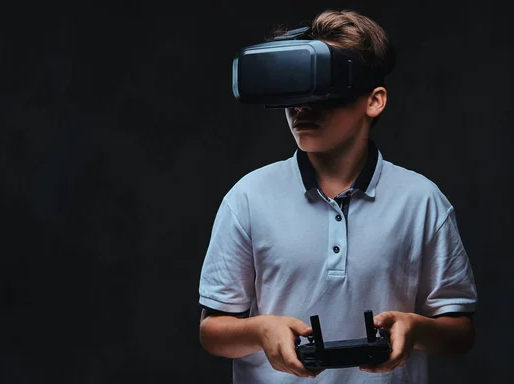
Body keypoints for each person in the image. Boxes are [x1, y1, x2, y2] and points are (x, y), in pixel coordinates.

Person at [197, 9, 477, 384]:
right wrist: (260, 330)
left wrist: (415, 328)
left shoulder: (423, 202)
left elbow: (459, 332)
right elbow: (212, 330)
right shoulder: (246, 198)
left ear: (374, 101)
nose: (302, 107)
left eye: (324, 90)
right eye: (295, 89)